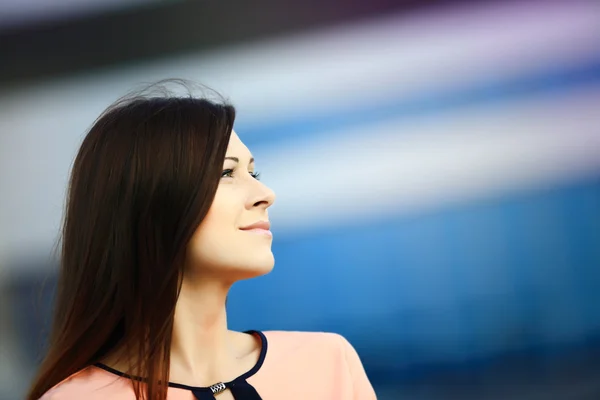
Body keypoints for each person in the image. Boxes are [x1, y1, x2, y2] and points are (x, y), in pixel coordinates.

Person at [27, 81, 377, 400]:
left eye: (253, 172)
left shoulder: (328, 363)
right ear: (152, 201)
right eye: (227, 172)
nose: (265, 194)